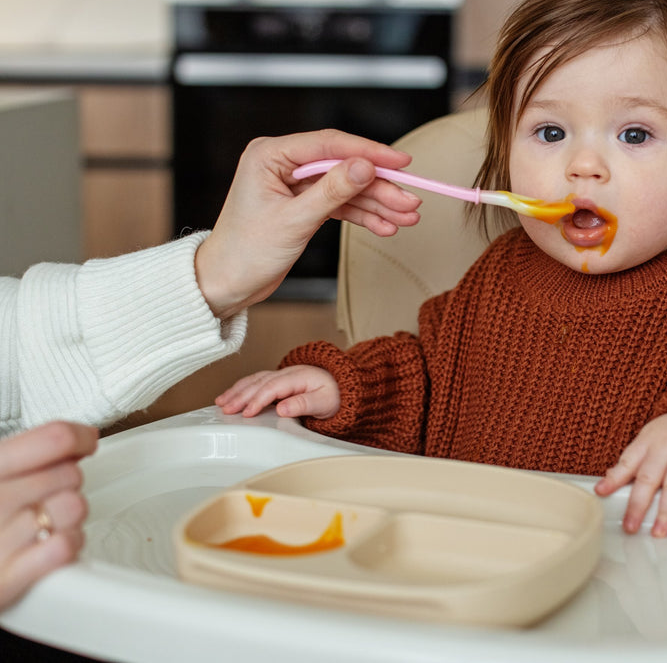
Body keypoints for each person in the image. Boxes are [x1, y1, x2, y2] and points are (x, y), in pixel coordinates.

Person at [216, 0, 667, 540]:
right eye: (550, 133)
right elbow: (427, 376)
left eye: (635, 134)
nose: (584, 167)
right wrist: (344, 387)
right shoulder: (499, 273)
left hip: (629, 581)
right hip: (475, 553)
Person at [0, 129, 421, 611]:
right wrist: (353, 386)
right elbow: (428, 375)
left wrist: (215, 271)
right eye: (532, 132)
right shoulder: (486, 292)